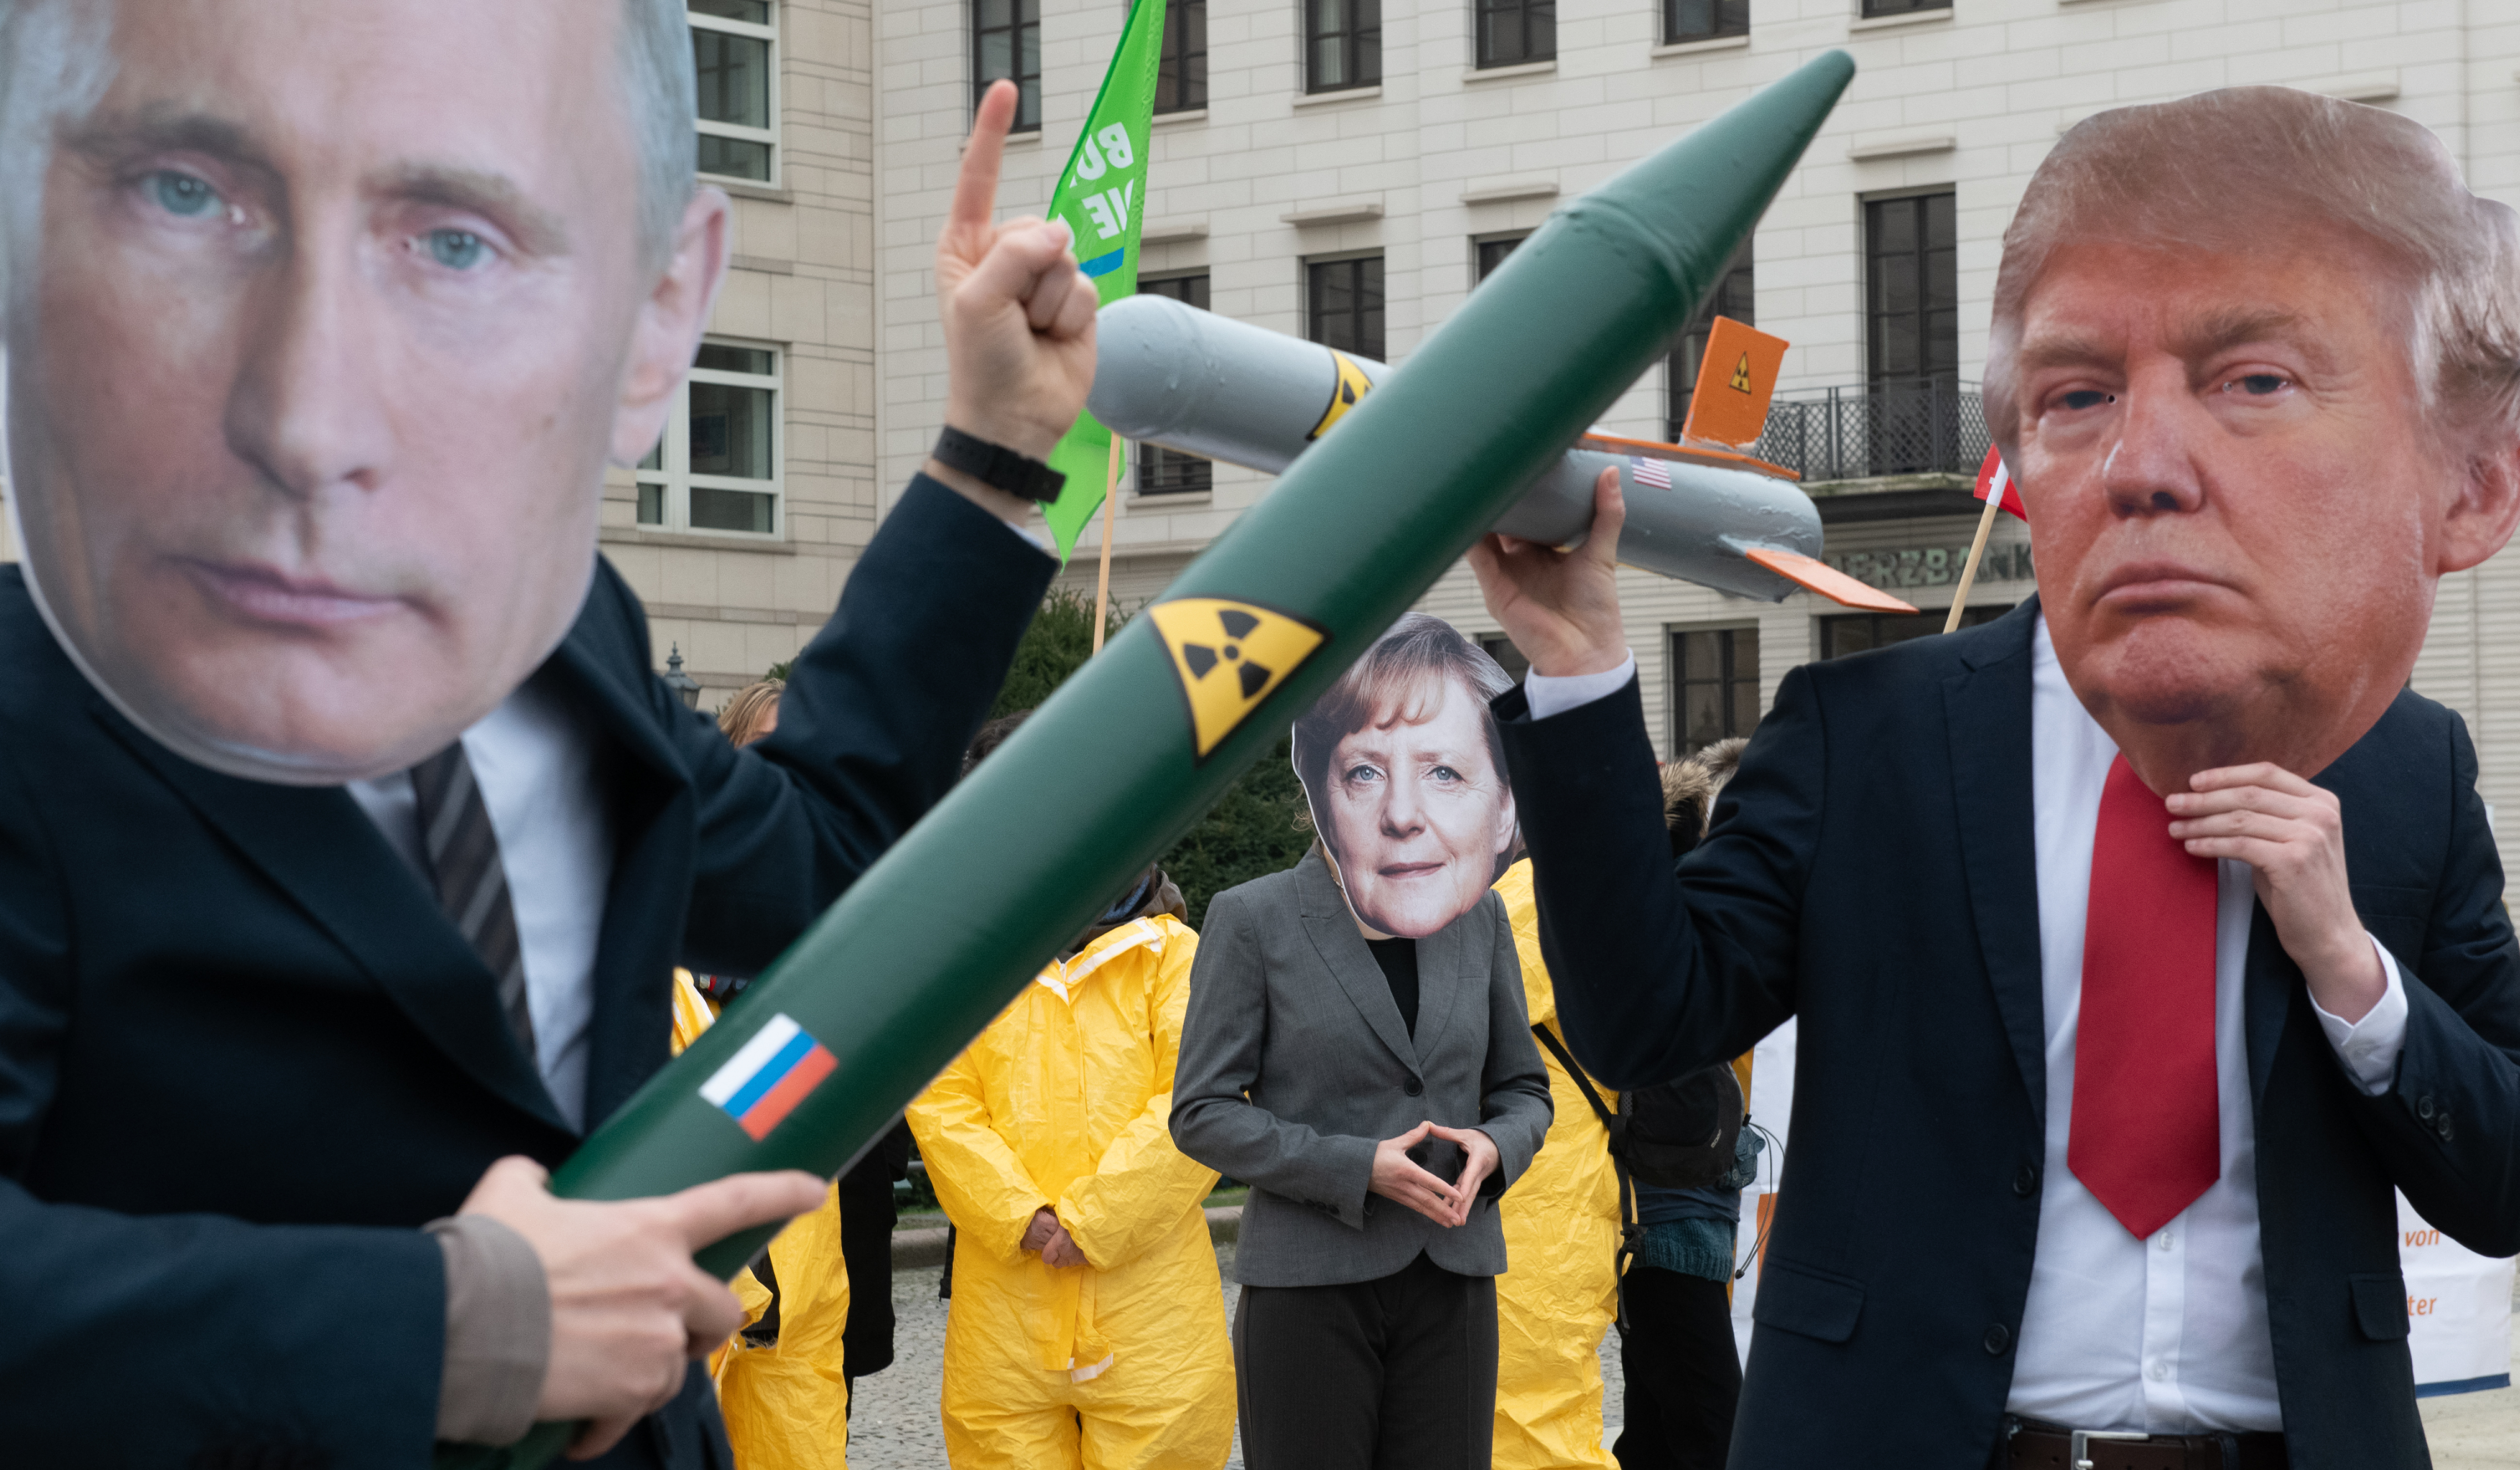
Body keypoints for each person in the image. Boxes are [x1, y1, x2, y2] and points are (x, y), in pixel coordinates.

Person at [0, 0, 1095, 1452]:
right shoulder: (29, 704)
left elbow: (822, 864)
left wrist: (989, 458)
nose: (314, 382)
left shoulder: (565, 633)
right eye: (193, 200)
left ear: (650, 316)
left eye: (451, 240)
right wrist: (448, 1323)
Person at [1471, 87, 2520, 1468]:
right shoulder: (1864, 734)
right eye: (2078, 397)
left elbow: (2500, 1177)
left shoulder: (2405, 767)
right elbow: (1643, 1020)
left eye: (2253, 382)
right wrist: (1576, 669)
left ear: (2468, 487)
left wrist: (2350, 969)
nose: (2145, 467)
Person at [1170, 617, 1556, 1470]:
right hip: (1310, 1286)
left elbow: (1524, 1090)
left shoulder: (1479, 915)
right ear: (1321, 780)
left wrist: (1496, 1147)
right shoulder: (1253, 918)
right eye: (1366, 771)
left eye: (1442, 771)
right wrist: (1356, 1166)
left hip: (1453, 1278)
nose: (1402, 812)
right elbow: (1201, 1112)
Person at [907, 711, 1236, 1470]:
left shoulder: (1173, 957)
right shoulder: (962, 963)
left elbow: (1202, 1098)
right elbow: (940, 1102)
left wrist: (1093, 1220)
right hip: (1005, 1321)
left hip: (1151, 1313)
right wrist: (1019, 1214)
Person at [1610, 742, 1751, 1470]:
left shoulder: (1690, 907)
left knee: (1661, 1428)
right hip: (1661, 1215)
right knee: (1713, 1423)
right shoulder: (1667, 904)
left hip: (1685, 1209)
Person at [1487, 856, 1622, 1470]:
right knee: (1546, 1404)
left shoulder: (1533, 893)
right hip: (1565, 1190)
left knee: (1532, 1405)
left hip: (1541, 1195)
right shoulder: (1589, 889)